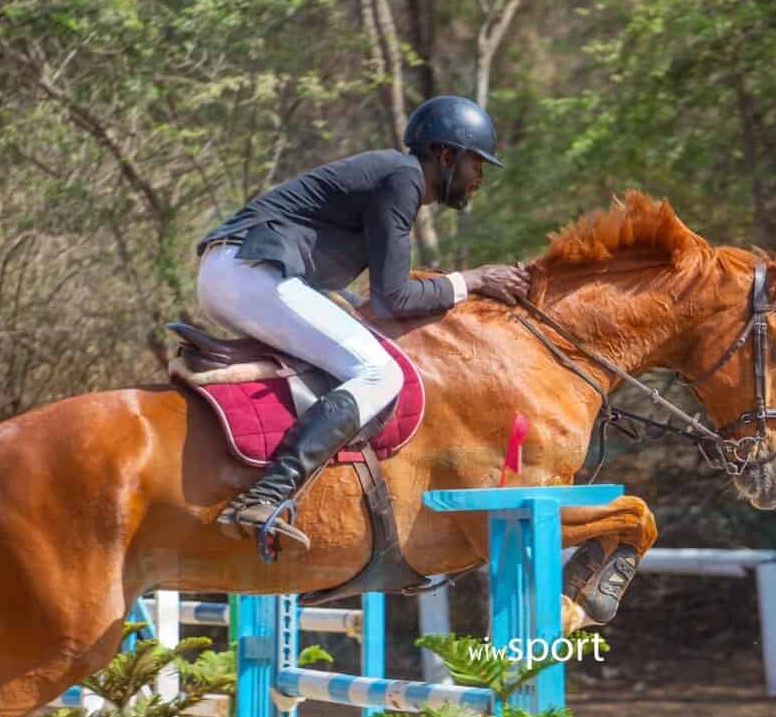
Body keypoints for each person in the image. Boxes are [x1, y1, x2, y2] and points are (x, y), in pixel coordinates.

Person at [195, 94, 532, 551]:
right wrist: (471, 280)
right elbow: (393, 297)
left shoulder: (393, 176)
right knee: (379, 373)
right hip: (249, 270)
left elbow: (374, 299)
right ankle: (269, 494)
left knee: (357, 354)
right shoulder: (404, 177)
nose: (480, 178)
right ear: (447, 155)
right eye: (477, 163)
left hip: (236, 271)